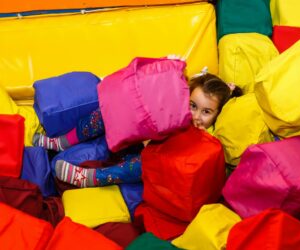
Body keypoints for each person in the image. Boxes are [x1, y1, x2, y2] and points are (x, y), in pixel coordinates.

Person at [34, 70, 243, 188]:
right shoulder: (176, 110)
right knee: (113, 110)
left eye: (207, 112)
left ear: (218, 114)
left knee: (144, 164)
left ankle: (90, 178)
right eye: (193, 106)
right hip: (142, 145)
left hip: (153, 164)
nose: (197, 116)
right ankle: (62, 142)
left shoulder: (208, 138)